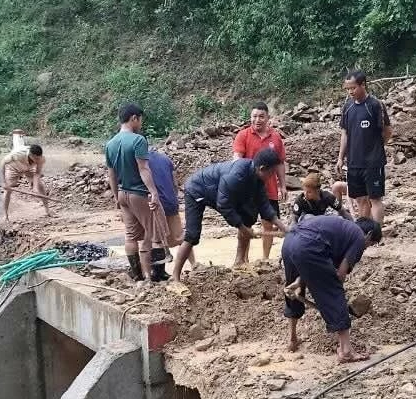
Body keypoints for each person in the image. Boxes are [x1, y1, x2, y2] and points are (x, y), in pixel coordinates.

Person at [171, 147, 290, 279]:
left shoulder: (257, 178)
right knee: (192, 235)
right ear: (262, 168)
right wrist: (243, 229)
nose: (273, 177)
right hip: (197, 190)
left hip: (218, 192)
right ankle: (175, 276)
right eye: (272, 173)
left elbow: (264, 205)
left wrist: (283, 227)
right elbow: (224, 205)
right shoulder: (235, 176)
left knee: (249, 217)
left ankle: (239, 262)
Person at [282, 215, 382, 364]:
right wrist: (336, 305)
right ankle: (346, 351)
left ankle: (292, 339)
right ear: (368, 234)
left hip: (290, 241)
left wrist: (300, 280)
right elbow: (340, 275)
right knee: (334, 292)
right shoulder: (359, 237)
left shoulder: (341, 231)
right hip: (308, 245)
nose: (366, 248)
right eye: (371, 244)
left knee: (293, 291)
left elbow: (316, 264)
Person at [104, 103, 165, 282]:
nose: (141, 124)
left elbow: (111, 174)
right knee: (154, 235)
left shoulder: (110, 144)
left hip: (123, 193)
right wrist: (153, 192)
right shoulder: (138, 140)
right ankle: (157, 276)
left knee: (130, 237)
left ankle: (137, 275)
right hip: (139, 194)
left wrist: (116, 197)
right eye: (140, 120)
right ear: (134, 118)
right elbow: (143, 169)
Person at [232, 102, 287, 263]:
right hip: (248, 189)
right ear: (250, 117)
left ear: (268, 118)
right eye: (254, 116)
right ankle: (244, 259)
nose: (257, 120)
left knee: (268, 223)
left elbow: (280, 163)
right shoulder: (243, 135)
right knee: (245, 224)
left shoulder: (275, 137)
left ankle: (265, 259)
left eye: (261, 116)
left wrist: (283, 185)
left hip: (270, 188)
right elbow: (237, 159)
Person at [336, 69, 393, 223]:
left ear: (363, 85)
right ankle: (365, 230)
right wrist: (340, 158)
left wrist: (377, 146)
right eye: (347, 89)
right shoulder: (347, 107)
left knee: (375, 198)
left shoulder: (375, 105)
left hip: (373, 162)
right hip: (354, 162)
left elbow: (387, 131)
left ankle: (377, 232)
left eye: (353, 88)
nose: (350, 92)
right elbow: (344, 133)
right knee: (360, 198)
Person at [1, 144, 50, 221]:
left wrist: (35, 188)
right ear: (30, 154)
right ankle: (5, 215)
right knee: (8, 190)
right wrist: (4, 182)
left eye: (38, 158)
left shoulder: (41, 159)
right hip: (13, 167)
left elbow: (37, 173)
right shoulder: (17, 154)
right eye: (35, 158)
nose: (37, 160)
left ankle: (47, 210)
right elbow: (3, 163)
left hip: (28, 168)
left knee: (40, 185)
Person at [147, 147, 183, 253]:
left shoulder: (140, 161)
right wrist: (174, 198)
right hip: (170, 201)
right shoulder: (165, 159)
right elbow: (175, 183)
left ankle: (163, 260)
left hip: (154, 203)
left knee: (155, 239)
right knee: (180, 237)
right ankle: (193, 261)